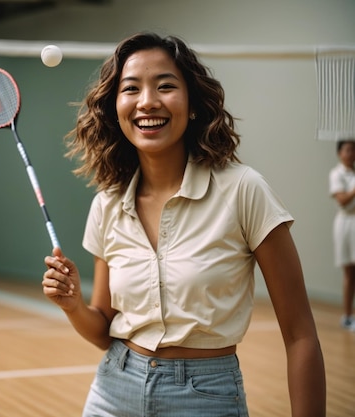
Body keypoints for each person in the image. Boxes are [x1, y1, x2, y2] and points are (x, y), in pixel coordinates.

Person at [42, 32, 326, 417]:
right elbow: (103, 329)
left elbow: (300, 335)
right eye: (131, 89)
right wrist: (74, 306)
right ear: (116, 108)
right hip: (113, 391)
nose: (147, 102)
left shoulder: (244, 190)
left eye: (165, 86)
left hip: (206, 397)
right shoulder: (107, 204)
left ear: (192, 103)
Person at [329, 138, 355, 331]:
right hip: (346, 223)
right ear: (340, 153)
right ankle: (347, 316)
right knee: (349, 271)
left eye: (353, 150)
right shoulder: (336, 174)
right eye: (347, 150)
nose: (350, 154)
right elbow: (343, 199)